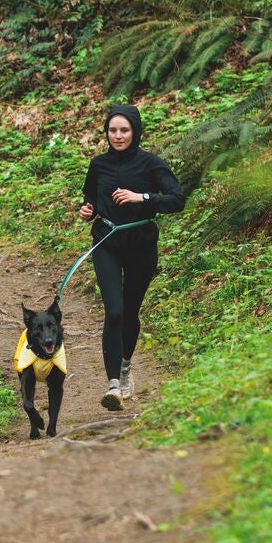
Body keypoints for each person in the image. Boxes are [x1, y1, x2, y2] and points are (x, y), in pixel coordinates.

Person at [77, 104, 186, 411]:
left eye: (124, 130)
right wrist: (88, 211)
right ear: (106, 132)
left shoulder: (151, 164)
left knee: (130, 311)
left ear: (135, 131)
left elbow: (177, 199)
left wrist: (143, 197)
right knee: (114, 311)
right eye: (113, 130)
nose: (118, 135)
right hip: (107, 242)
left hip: (141, 244)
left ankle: (125, 366)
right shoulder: (99, 164)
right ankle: (113, 385)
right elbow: (91, 200)